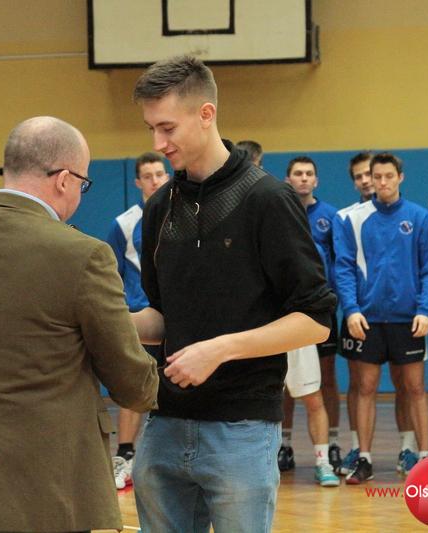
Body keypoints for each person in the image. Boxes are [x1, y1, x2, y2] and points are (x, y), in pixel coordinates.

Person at [0, 116, 159, 533]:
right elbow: (130, 382)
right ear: (64, 179)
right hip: (43, 489)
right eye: (83, 183)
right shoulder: (84, 255)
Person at [130, 55, 336, 532]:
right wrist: (107, 322)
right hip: (163, 424)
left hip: (242, 429)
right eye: (151, 129)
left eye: (167, 128)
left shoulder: (268, 199)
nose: (158, 144)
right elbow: (163, 316)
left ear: (206, 114)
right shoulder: (159, 208)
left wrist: (220, 349)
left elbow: (315, 319)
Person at [335, 152, 428, 484]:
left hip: (408, 319)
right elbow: (344, 268)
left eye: (388, 176)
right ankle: (364, 459)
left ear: (400, 177)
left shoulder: (420, 218)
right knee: (364, 387)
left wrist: (425, 310)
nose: (382, 182)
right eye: (376, 177)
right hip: (366, 319)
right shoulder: (352, 219)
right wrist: (351, 310)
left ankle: (423, 458)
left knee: (414, 388)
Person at [105, 151, 169, 489]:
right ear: (137, 182)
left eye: (160, 174)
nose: (155, 180)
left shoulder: (182, 213)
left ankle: (167, 461)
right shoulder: (124, 224)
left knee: (173, 388)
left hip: (175, 320)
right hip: (140, 320)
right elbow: (110, 274)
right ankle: (125, 456)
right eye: (148, 176)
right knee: (134, 390)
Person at [279, 156, 341, 485]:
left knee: (314, 390)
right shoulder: (274, 216)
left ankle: (324, 460)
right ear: (287, 179)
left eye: (309, 174)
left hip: (308, 317)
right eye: (297, 174)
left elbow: (340, 264)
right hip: (274, 320)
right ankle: (279, 448)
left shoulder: (330, 217)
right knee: (277, 391)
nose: (303, 179)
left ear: (316, 180)